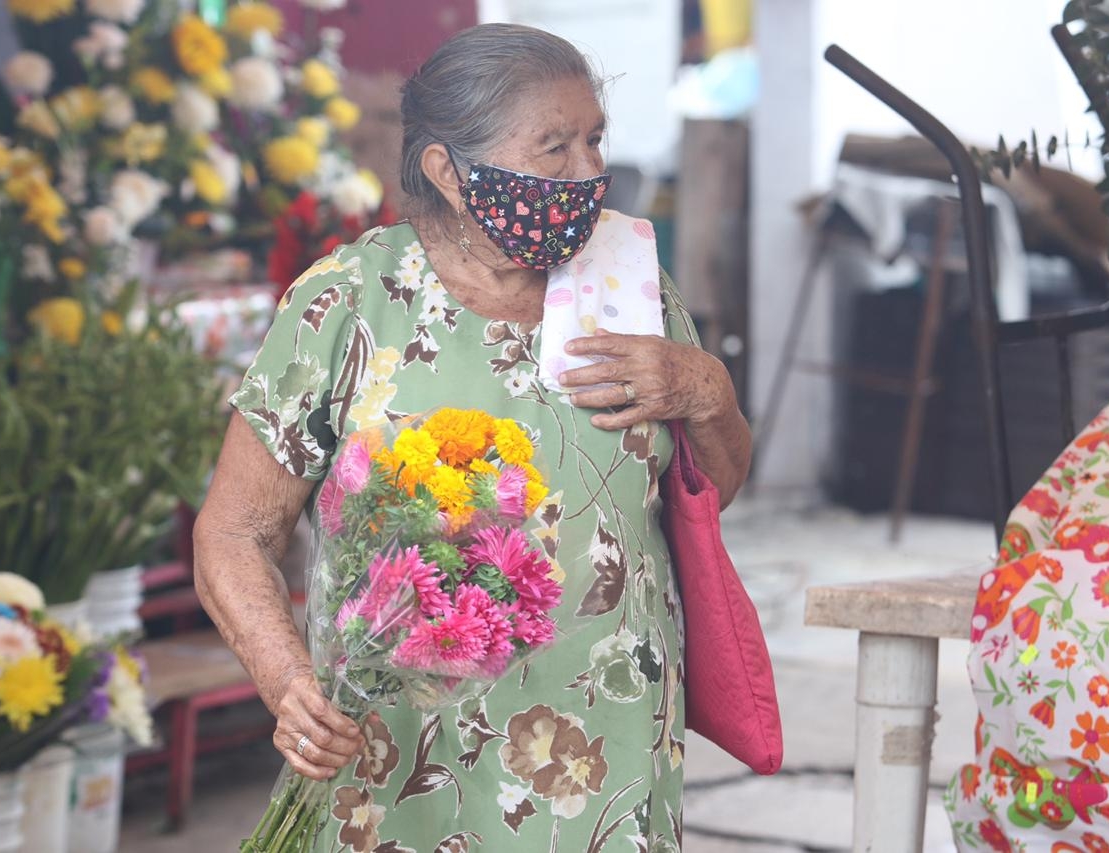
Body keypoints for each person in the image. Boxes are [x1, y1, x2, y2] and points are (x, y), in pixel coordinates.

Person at [194, 22, 751, 851]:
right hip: (401, 760)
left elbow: (713, 489)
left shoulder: (631, 286)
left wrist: (707, 393)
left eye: (595, 139)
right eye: (552, 147)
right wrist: (287, 684)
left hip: (608, 750)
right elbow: (235, 531)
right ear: (448, 172)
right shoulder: (350, 301)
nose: (588, 172)